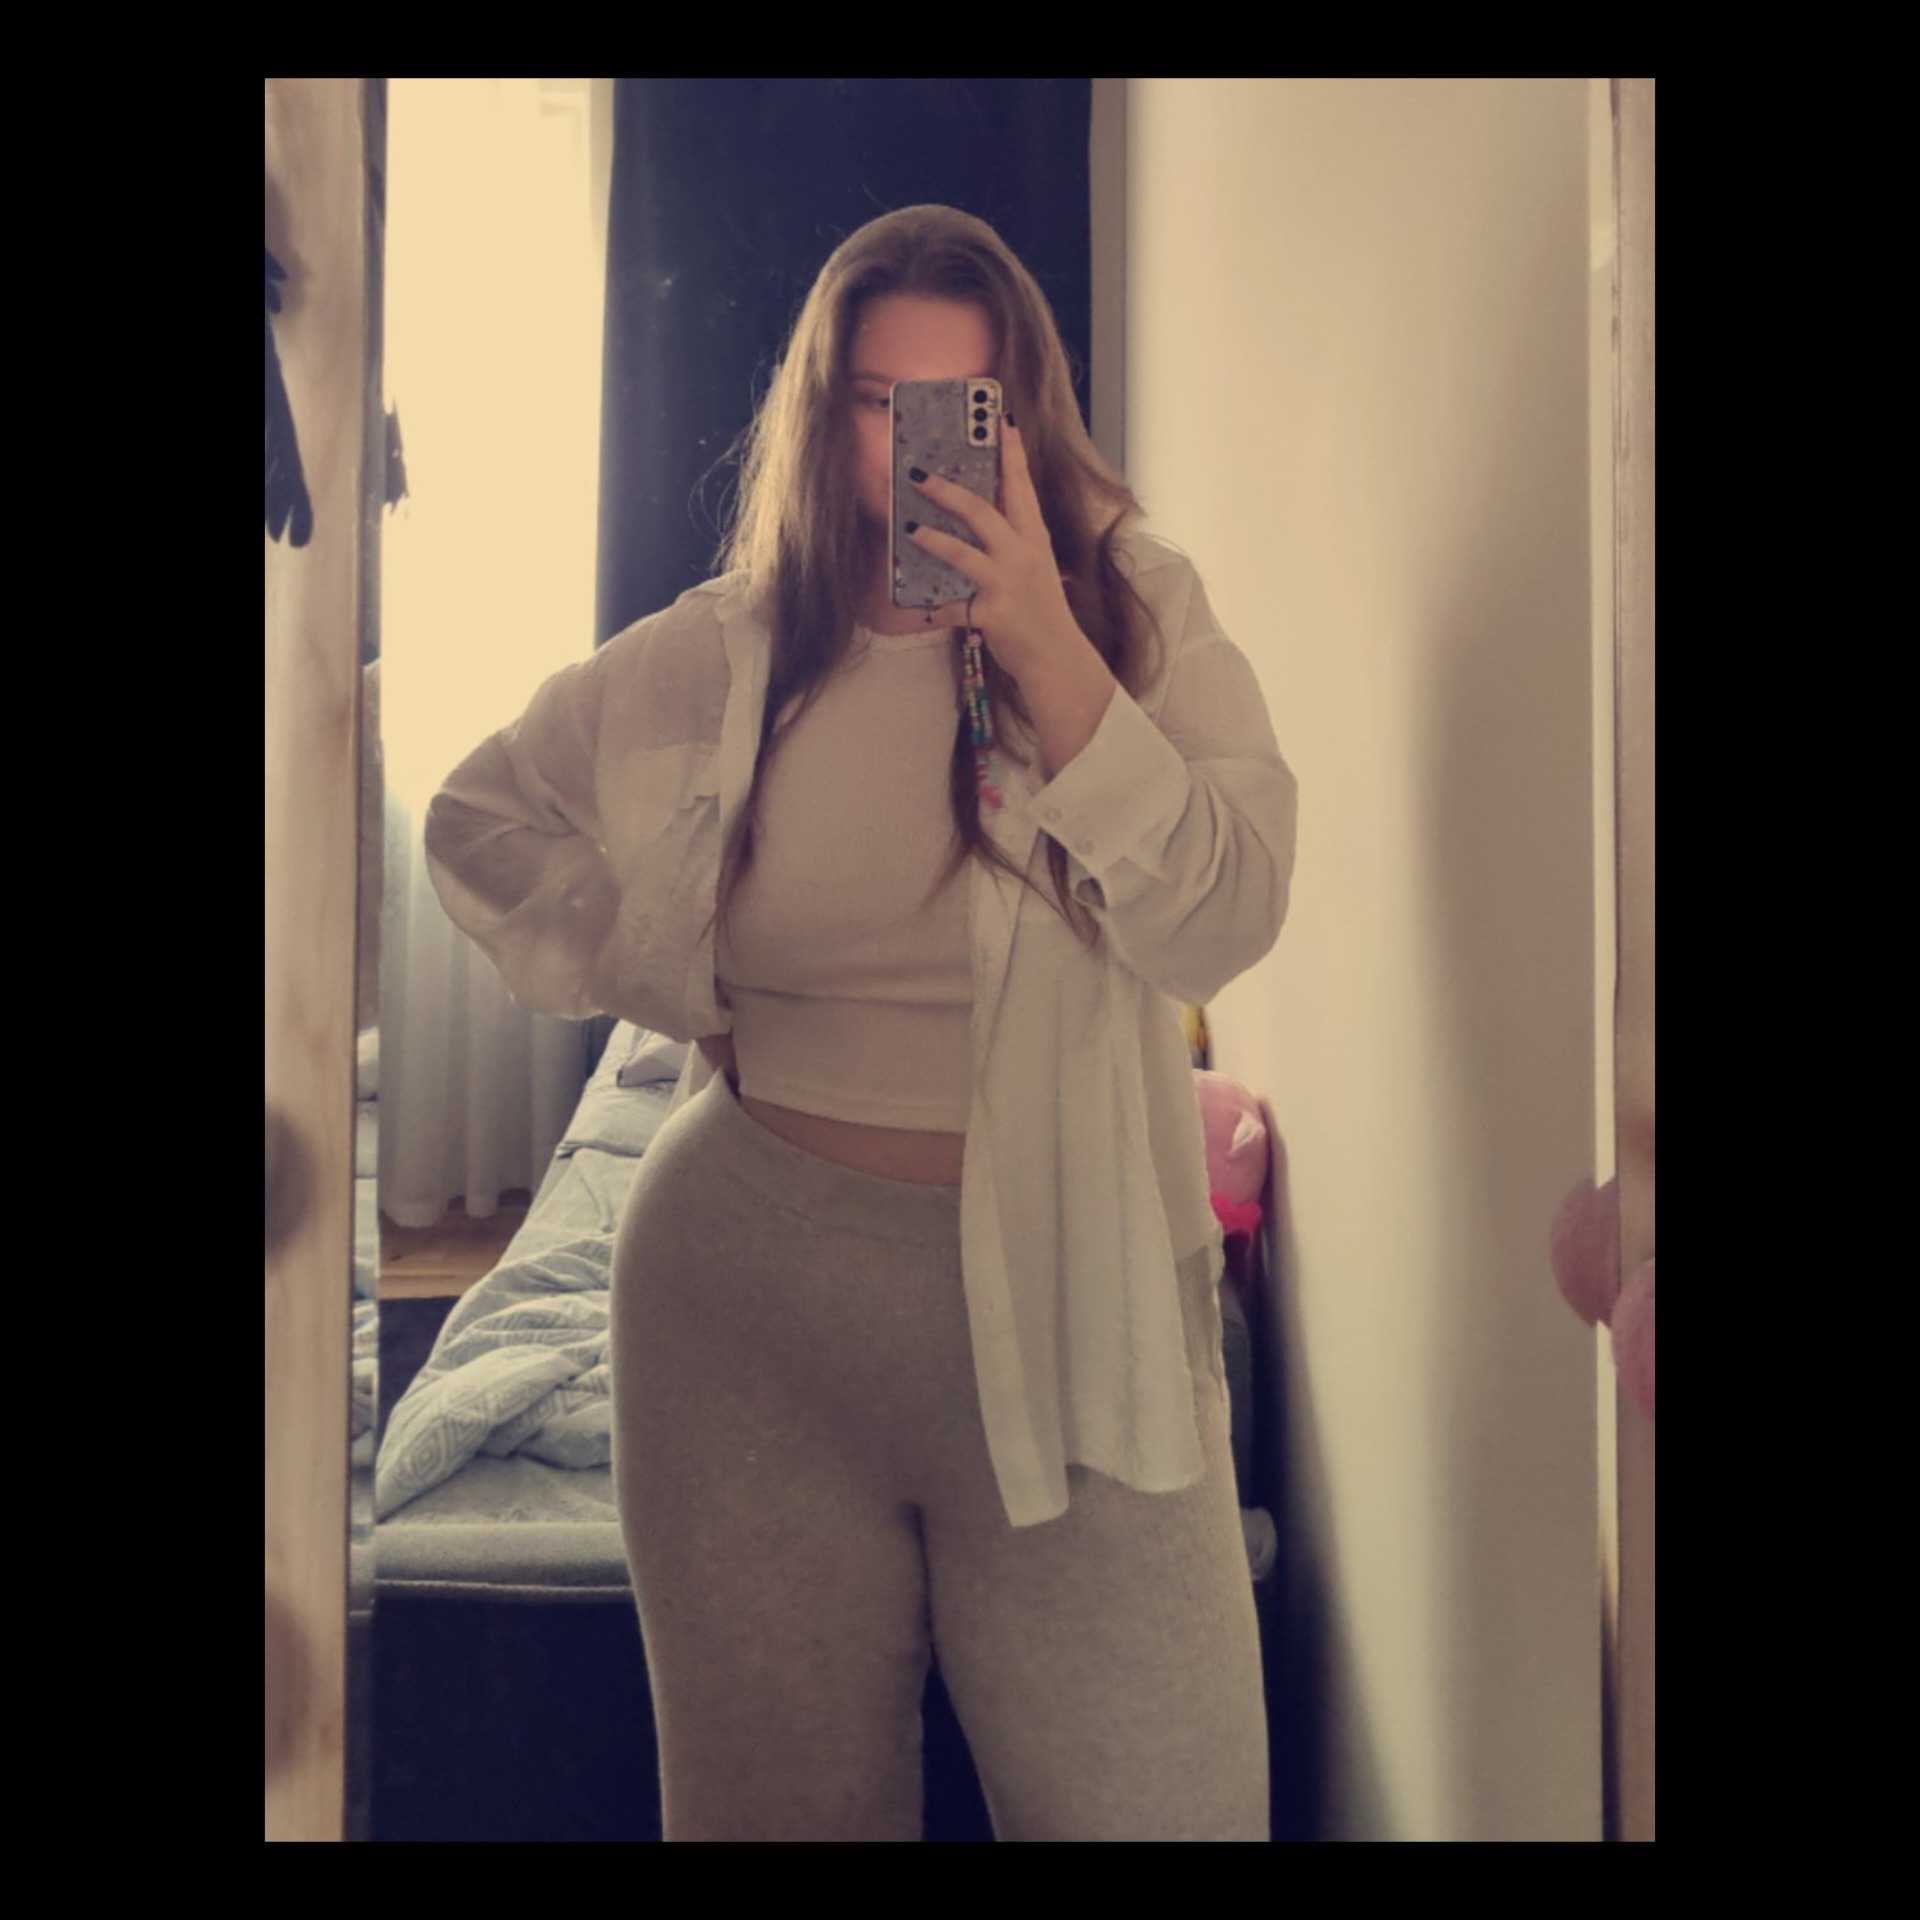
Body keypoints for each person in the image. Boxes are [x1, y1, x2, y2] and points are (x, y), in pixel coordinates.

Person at [424, 204, 1299, 1841]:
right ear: (823, 422)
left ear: (1023, 420)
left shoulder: (1136, 615)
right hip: (743, 1319)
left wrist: (1048, 652)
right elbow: (478, 821)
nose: (917, 452)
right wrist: (676, 974)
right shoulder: (730, 652)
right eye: (880, 405)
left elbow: (1228, 914)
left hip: (1076, 1315)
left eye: (961, 407)